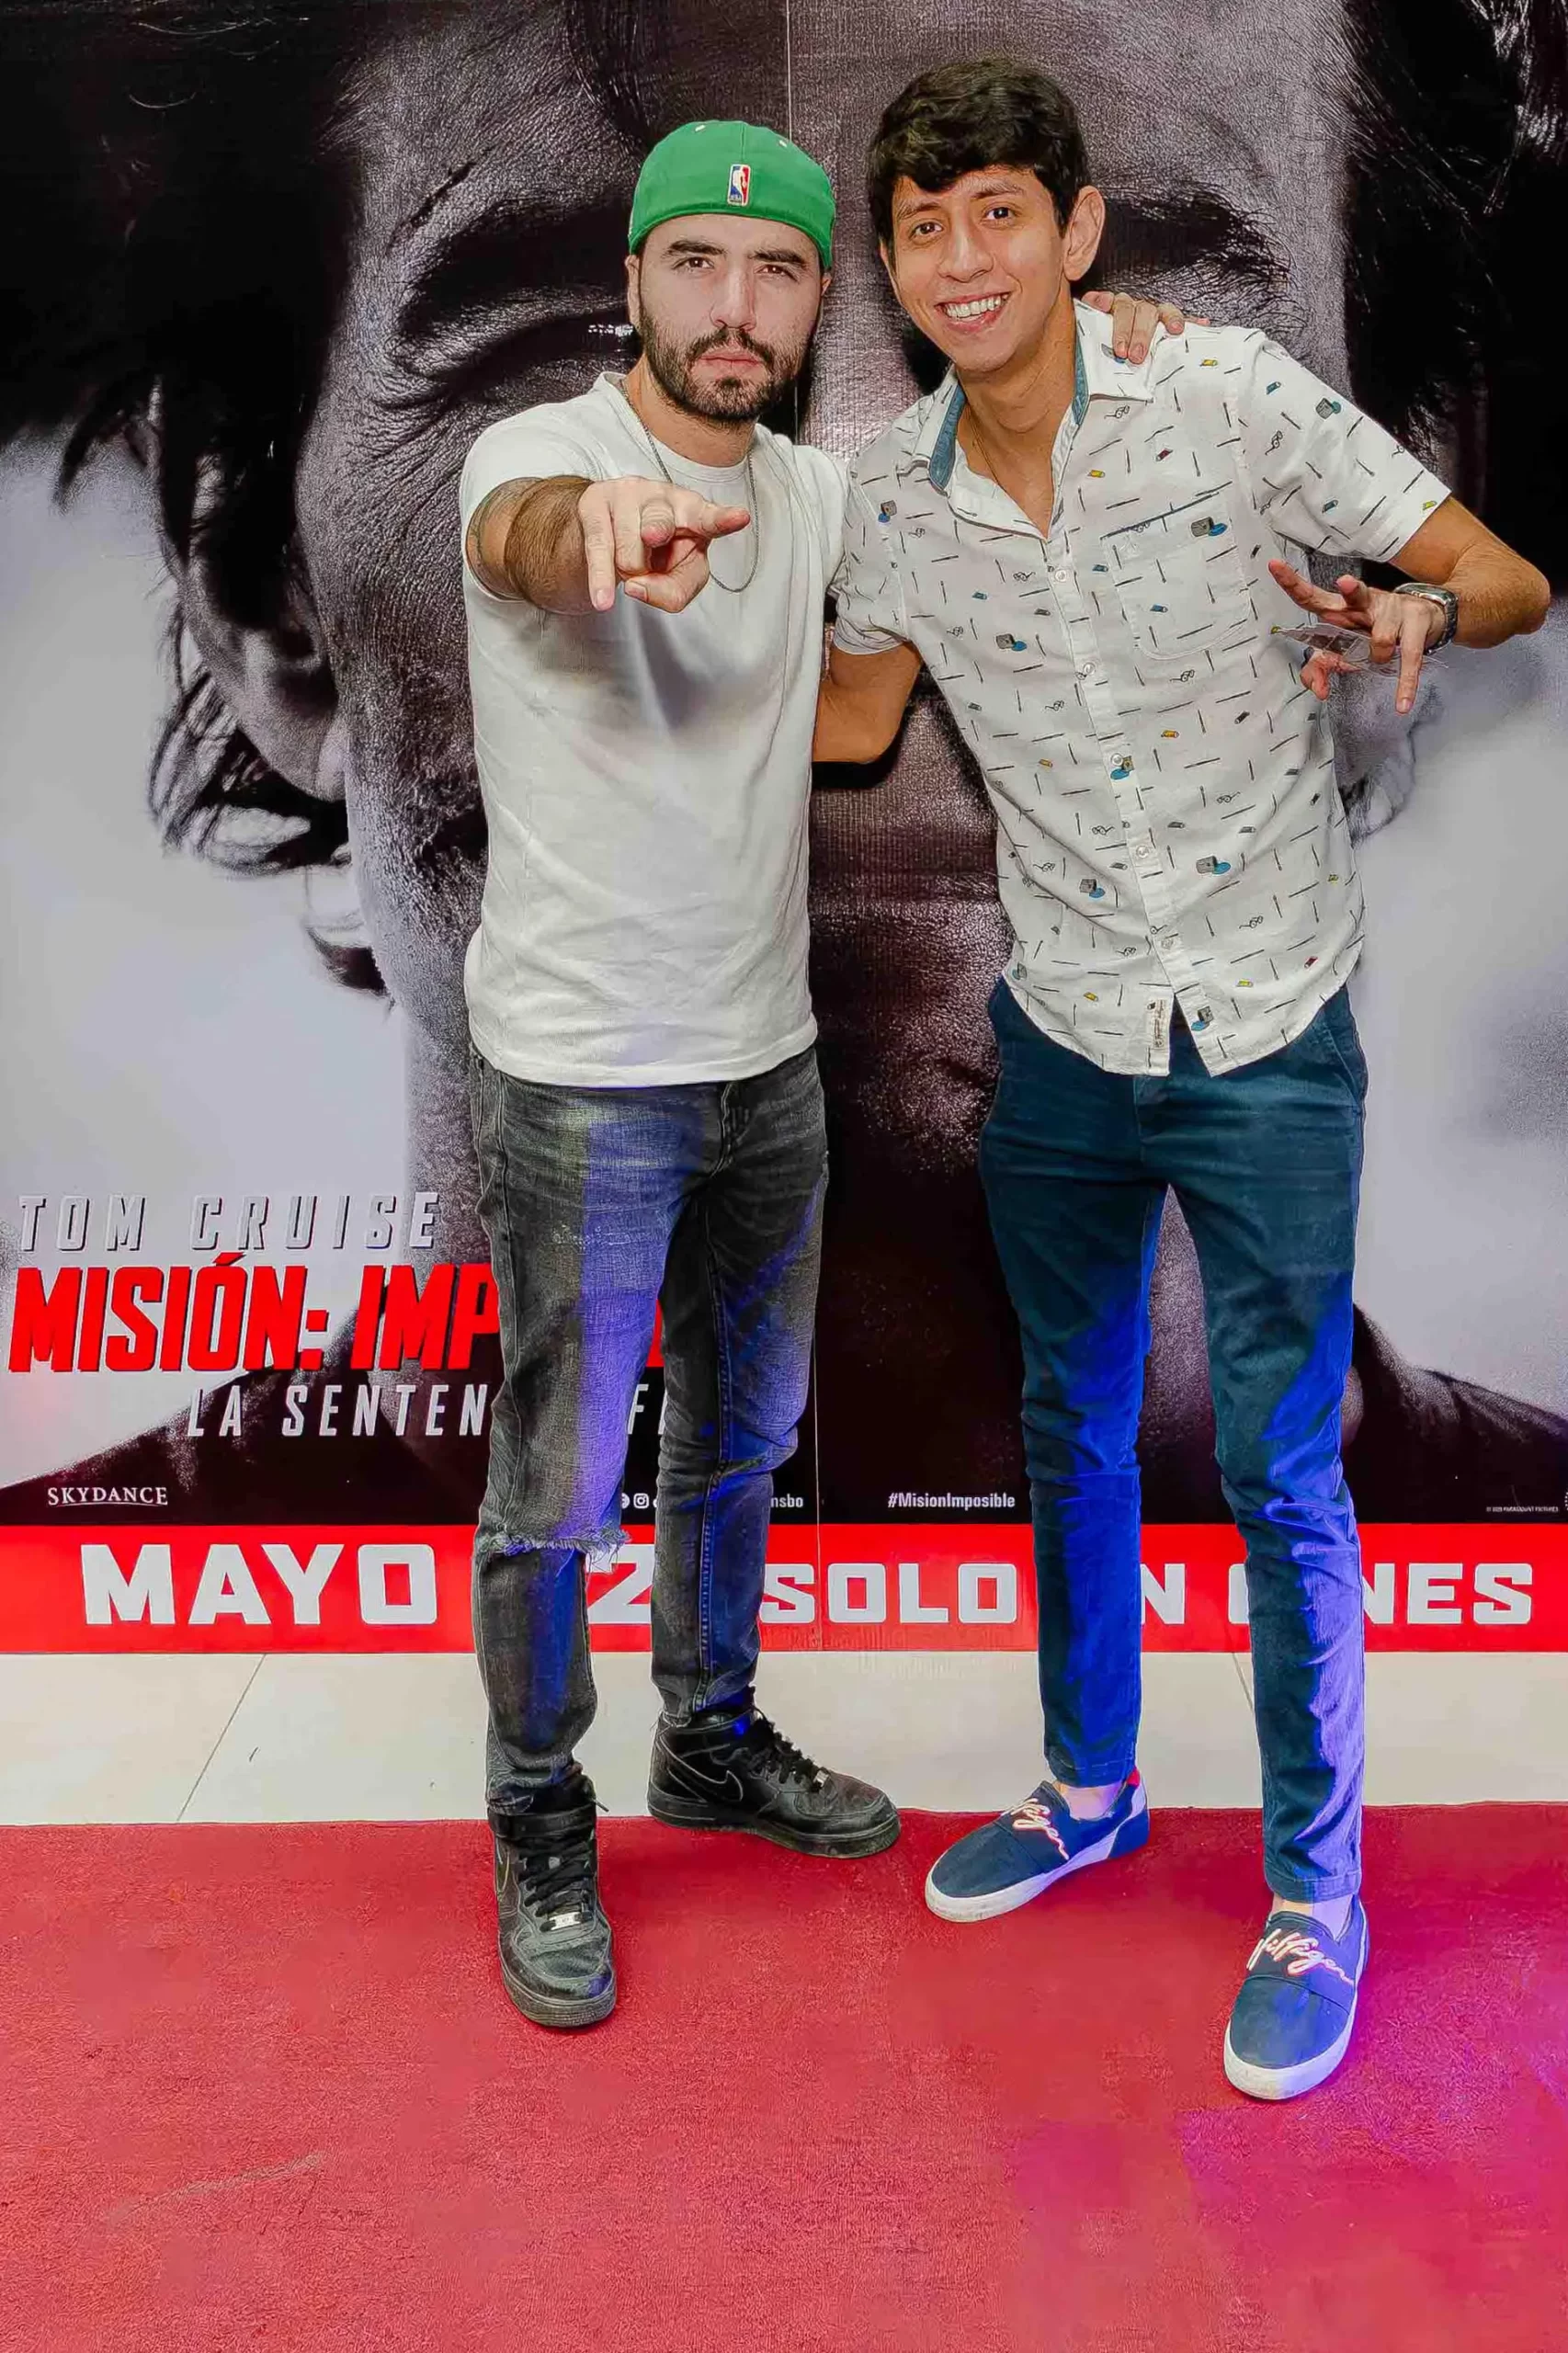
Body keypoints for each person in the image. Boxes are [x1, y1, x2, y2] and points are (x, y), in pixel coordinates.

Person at [812, 58, 1551, 2098]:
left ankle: (1316, 1895)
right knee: (1067, 1429)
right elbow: (850, 727)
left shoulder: (1226, 398)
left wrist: (1411, 604)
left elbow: (1507, 580)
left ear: (1075, 230)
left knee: (1278, 1467)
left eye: (996, 214)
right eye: (920, 228)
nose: (959, 261)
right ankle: (1087, 1788)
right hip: (1061, 1038)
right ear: (893, 268)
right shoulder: (888, 496)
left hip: (1267, 1030)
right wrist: (688, 612)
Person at [453, 120, 911, 2029]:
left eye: (777, 269)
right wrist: (603, 538)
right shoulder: (536, 455)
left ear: (815, 303)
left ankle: (708, 1738)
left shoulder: (817, 495)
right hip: (583, 1071)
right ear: (631, 279)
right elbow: (526, 541)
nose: (736, 305)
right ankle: (537, 1810)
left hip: (766, 1059)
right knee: (559, 1483)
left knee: (740, 1440)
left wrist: (922, 598)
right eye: (698, 264)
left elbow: (854, 718)